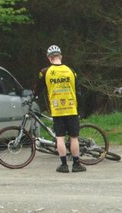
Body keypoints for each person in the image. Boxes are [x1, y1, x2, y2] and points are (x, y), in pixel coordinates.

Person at [35, 45, 84, 173]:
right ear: (61, 56)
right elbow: (78, 91)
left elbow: (38, 89)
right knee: (74, 137)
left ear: (49, 58)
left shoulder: (45, 72)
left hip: (57, 110)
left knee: (60, 137)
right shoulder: (71, 71)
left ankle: (63, 165)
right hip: (71, 108)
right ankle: (76, 164)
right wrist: (79, 108)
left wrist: (33, 96)